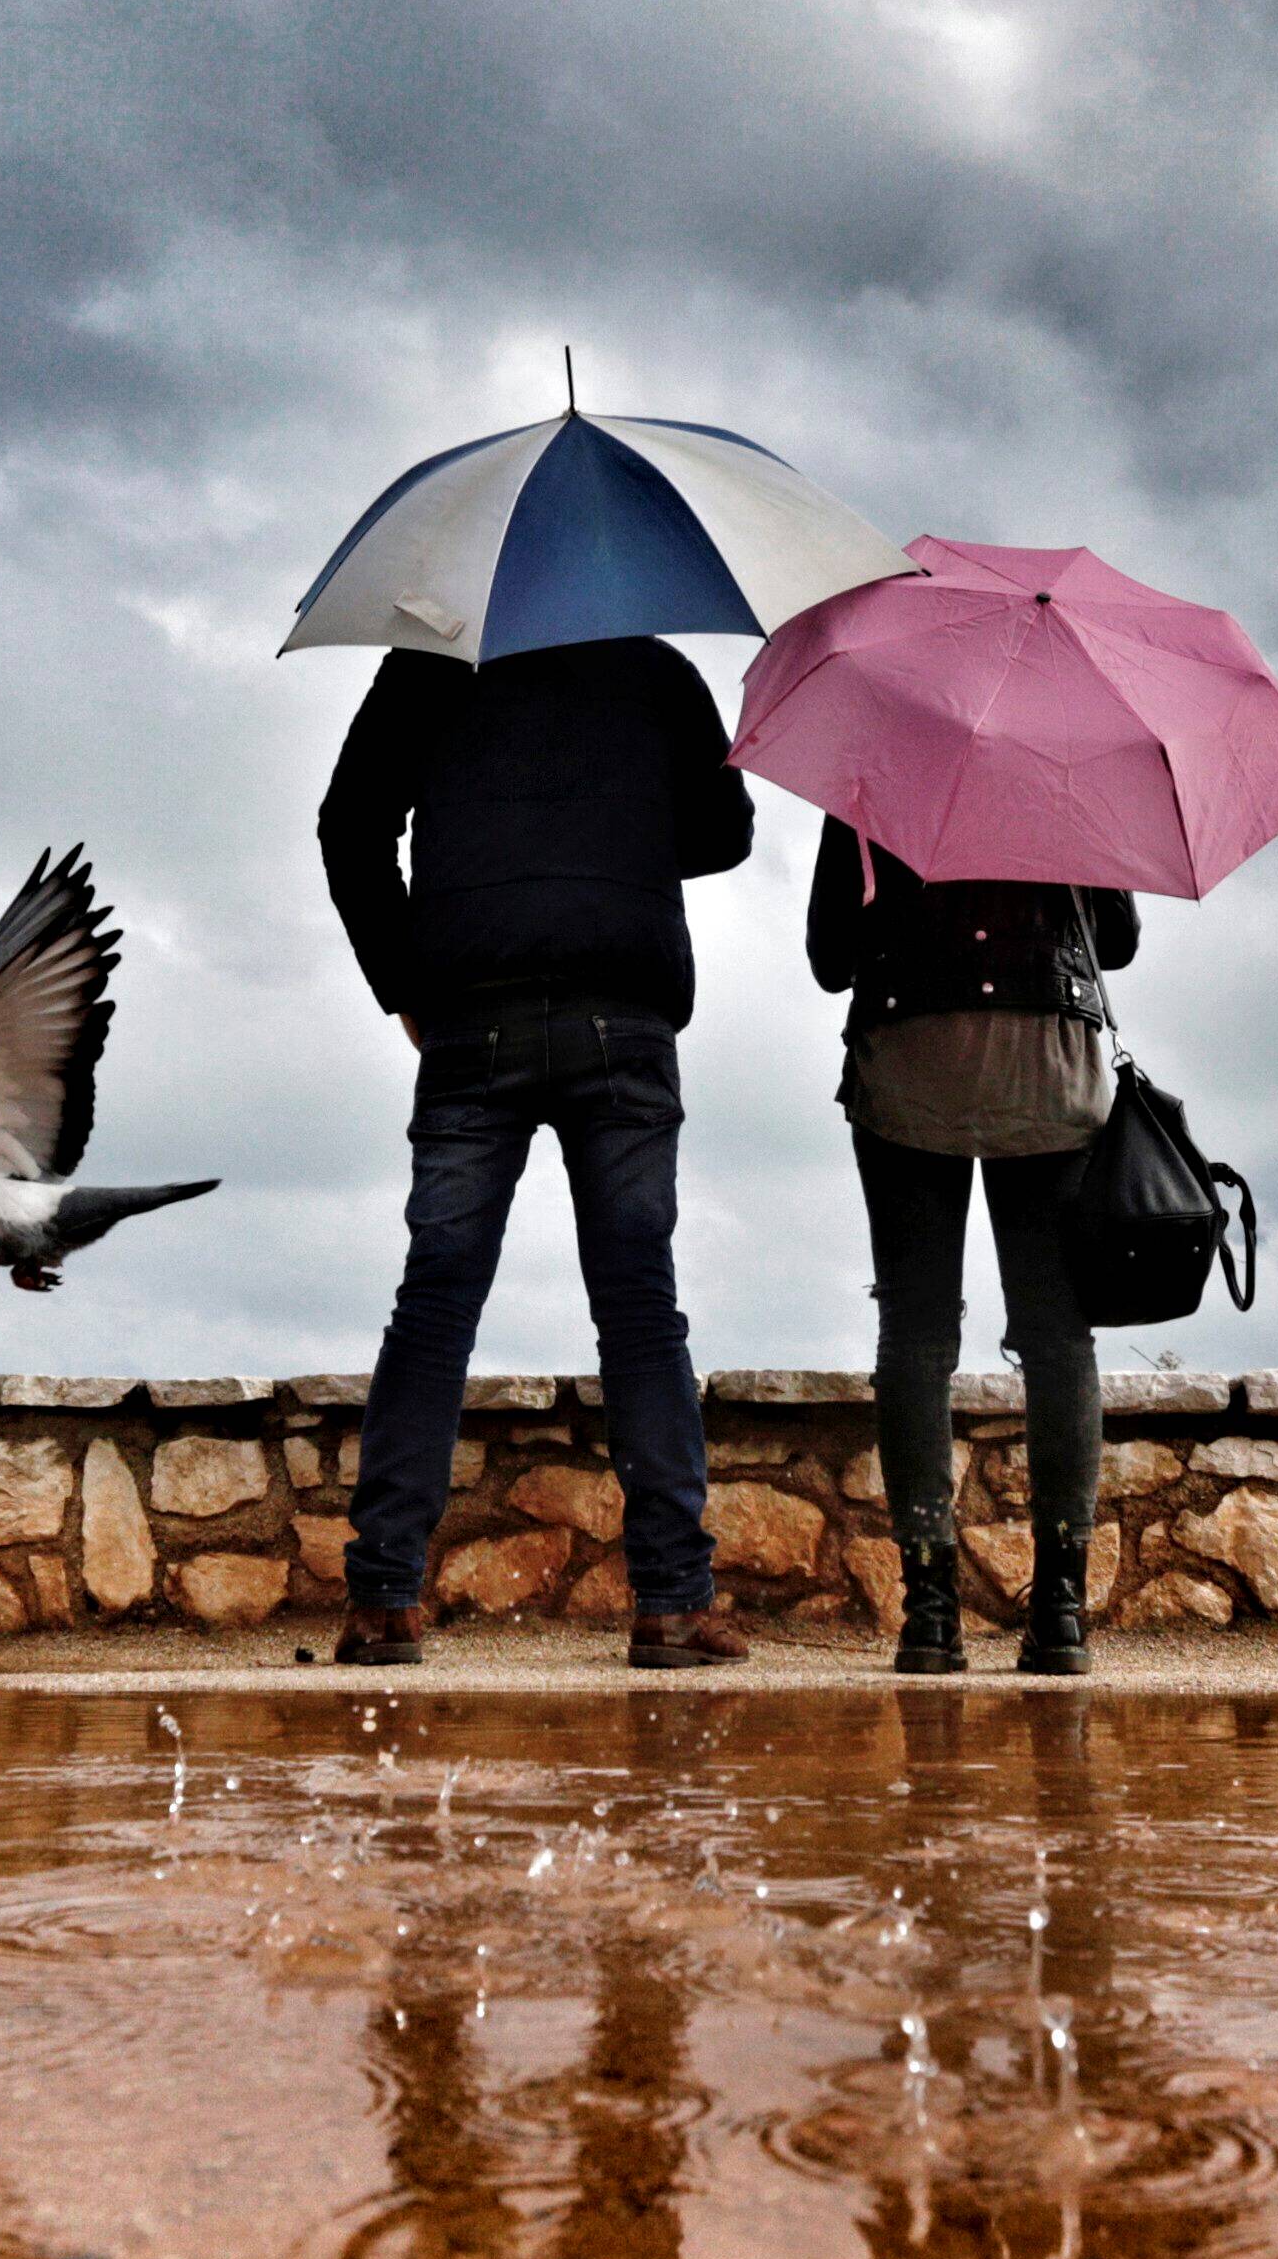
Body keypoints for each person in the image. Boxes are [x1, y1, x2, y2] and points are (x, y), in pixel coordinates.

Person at [317, 636, 752, 1670]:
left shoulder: (428, 667)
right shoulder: (656, 670)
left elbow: (349, 828)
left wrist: (403, 983)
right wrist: (616, 832)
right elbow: (726, 832)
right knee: (640, 1302)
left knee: (436, 1299)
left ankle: (383, 1598)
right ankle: (673, 1604)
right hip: (624, 1015)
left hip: (471, 1016)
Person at [806, 817, 1138, 1674]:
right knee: (1057, 1335)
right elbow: (1119, 942)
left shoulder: (871, 777)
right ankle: (1059, 1616)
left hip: (908, 1062)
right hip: (1049, 1071)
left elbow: (827, 958)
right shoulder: (1067, 772)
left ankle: (929, 1617)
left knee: (916, 1335)